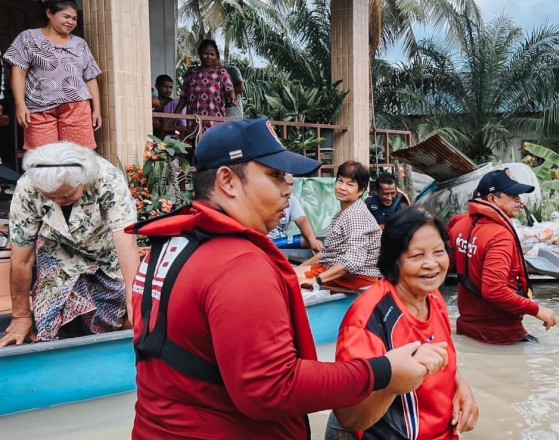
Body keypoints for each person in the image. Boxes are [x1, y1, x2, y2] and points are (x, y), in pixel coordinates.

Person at [128, 118, 443, 439]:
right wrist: (383, 372)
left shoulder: (169, 244)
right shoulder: (238, 263)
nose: (288, 187)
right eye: (275, 175)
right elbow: (273, 388)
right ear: (228, 181)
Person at [327, 207, 479, 439]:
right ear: (394, 260)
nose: (432, 264)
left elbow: (445, 358)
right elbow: (350, 418)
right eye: (417, 256)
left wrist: (463, 387)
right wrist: (393, 382)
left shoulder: (433, 296)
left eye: (439, 252)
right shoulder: (368, 321)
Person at [0, 142, 139, 347]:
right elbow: (23, 257)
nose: (57, 201)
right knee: (49, 315)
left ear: (84, 181)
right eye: (50, 197)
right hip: (58, 249)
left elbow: (126, 243)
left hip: (106, 251)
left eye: (66, 196)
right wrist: (21, 316)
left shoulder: (107, 179)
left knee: (115, 315)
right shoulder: (27, 188)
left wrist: (135, 306)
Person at [448, 169, 558, 345]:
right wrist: (538, 310)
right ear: (492, 199)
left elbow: (444, 268)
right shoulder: (499, 236)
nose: (519, 200)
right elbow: (494, 290)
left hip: (467, 329)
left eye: (519, 195)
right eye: (512, 194)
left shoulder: (459, 224)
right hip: (501, 335)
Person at [3, 0, 102, 150]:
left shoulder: (80, 44)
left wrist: (97, 110)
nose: (71, 22)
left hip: (77, 108)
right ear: (49, 13)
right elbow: (19, 72)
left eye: (74, 19)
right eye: (66, 17)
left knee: (78, 158)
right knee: (42, 160)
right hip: (39, 110)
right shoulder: (28, 37)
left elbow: (90, 78)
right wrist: (20, 104)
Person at [297, 161, 381, 290]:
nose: (342, 187)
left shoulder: (356, 215)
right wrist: (299, 269)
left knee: (288, 280)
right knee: (287, 273)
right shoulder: (345, 211)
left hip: (354, 280)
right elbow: (327, 253)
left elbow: (352, 262)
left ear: (361, 191)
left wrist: (316, 280)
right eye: (340, 181)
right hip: (332, 271)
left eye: (350, 184)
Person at [174, 39, 234, 132]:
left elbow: (230, 91)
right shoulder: (191, 73)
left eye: (212, 54)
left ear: (216, 56)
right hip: (194, 123)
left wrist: (231, 95)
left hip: (214, 125)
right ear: (200, 54)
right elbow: (184, 97)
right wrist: (175, 115)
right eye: (205, 53)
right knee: (194, 145)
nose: (208, 57)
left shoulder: (221, 73)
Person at [268, 178, 324, 254]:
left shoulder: (292, 200)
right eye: (287, 184)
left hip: (280, 241)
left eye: (291, 185)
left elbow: (302, 221)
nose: (290, 189)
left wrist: (313, 241)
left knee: (308, 239)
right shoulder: (265, 198)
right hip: (262, 243)